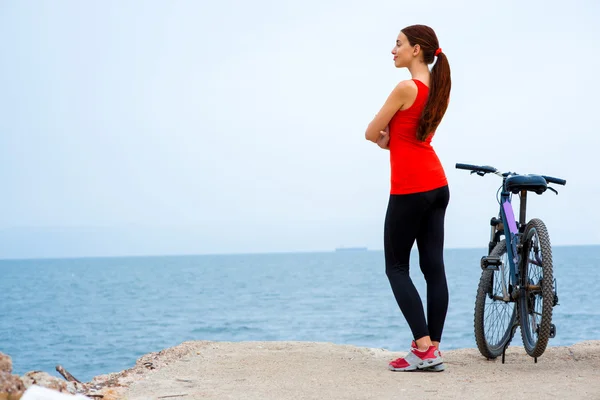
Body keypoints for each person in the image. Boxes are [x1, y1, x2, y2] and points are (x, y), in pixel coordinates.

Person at [364, 24, 451, 372]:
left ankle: (423, 348)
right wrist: (393, 139)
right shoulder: (440, 89)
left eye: (398, 44)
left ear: (416, 50)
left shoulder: (405, 88)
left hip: (409, 188)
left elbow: (371, 132)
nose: (393, 49)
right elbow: (415, 134)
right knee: (433, 269)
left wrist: (384, 140)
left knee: (396, 267)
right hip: (438, 185)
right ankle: (432, 349)